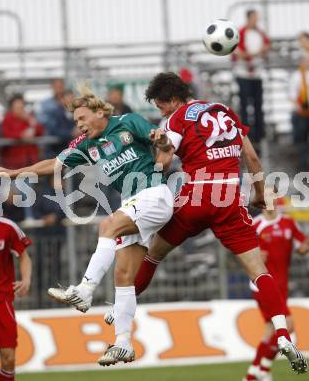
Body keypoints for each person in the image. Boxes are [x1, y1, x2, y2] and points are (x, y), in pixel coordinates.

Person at [105, 72, 307, 375]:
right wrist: (260, 195)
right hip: (230, 198)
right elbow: (251, 158)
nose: (161, 113)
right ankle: (282, 334)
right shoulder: (224, 112)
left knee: (153, 253)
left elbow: (165, 161)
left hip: (197, 195)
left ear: (173, 100)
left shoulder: (176, 120)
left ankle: (118, 312)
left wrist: (147, 168)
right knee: (259, 272)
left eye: (161, 106)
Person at [0, 84, 174, 366]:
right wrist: (15, 172)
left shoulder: (127, 122)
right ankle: (123, 342)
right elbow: (54, 163)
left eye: (82, 119)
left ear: (100, 112)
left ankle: (84, 290)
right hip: (133, 204)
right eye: (75, 122)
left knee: (107, 226)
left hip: (153, 195)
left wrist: (160, 142)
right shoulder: (85, 145)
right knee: (123, 276)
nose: (79, 126)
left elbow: (162, 142)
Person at [243, 187, 309, 381]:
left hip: (282, 284)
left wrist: (304, 247)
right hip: (263, 285)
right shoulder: (255, 226)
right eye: (266, 196)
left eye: (273, 196)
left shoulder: (289, 223)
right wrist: (256, 257)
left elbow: (302, 245)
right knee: (286, 325)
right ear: (261, 201)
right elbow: (244, 255)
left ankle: (258, 372)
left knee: (271, 330)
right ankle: (257, 371)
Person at [0, 187, 32, 381]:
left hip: (1, 301)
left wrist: (26, 280)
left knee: (8, 359)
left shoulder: (8, 227)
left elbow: (23, 256)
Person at [232, 9, 270, 154]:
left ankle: (259, 135)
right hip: (243, 75)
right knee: (245, 105)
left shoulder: (259, 33)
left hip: (256, 75)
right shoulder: (241, 32)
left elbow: (266, 45)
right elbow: (239, 52)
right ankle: (246, 135)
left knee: (258, 105)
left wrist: (256, 54)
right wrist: (253, 54)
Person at [1, 94, 44, 169]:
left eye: (21, 107)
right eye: (17, 107)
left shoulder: (28, 118)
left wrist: (30, 120)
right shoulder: (7, 118)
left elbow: (40, 131)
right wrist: (21, 135)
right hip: (13, 160)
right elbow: (5, 133)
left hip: (30, 158)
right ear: (12, 108)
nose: (20, 109)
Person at [37, 79, 78, 157]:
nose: (70, 100)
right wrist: (71, 133)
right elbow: (54, 130)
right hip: (55, 152)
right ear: (62, 100)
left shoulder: (76, 112)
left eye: (72, 98)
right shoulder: (54, 112)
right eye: (68, 98)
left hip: (69, 152)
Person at [289, 32, 309, 172]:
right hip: (302, 111)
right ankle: (302, 165)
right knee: (301, 139)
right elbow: (292, 94)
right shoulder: (297, 76)